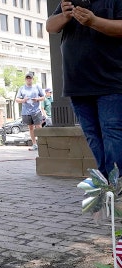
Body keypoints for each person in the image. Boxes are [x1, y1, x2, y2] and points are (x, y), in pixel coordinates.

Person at [46, 0, 122, 178]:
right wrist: (64, 16)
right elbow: (50, 26)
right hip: (77, 84)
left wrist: (93, 21)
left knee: (112, 135)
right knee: (93, 137)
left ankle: (117, 188)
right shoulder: (70, 1)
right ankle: (107, 185)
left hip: (110, 83)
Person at [15, 72, 46, 151]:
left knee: (38, 127)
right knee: (30, 127)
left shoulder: (37, 87)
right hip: (26, 112)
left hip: (36, 111)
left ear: (33, 79)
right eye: (27, 78)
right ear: (25, 79)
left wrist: (37, 99)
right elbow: (17, 100)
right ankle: (34, 144)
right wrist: (23, 100)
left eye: (30, 78)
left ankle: (42, 143)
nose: (29, 80)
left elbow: (43, 97)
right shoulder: (22, 88)